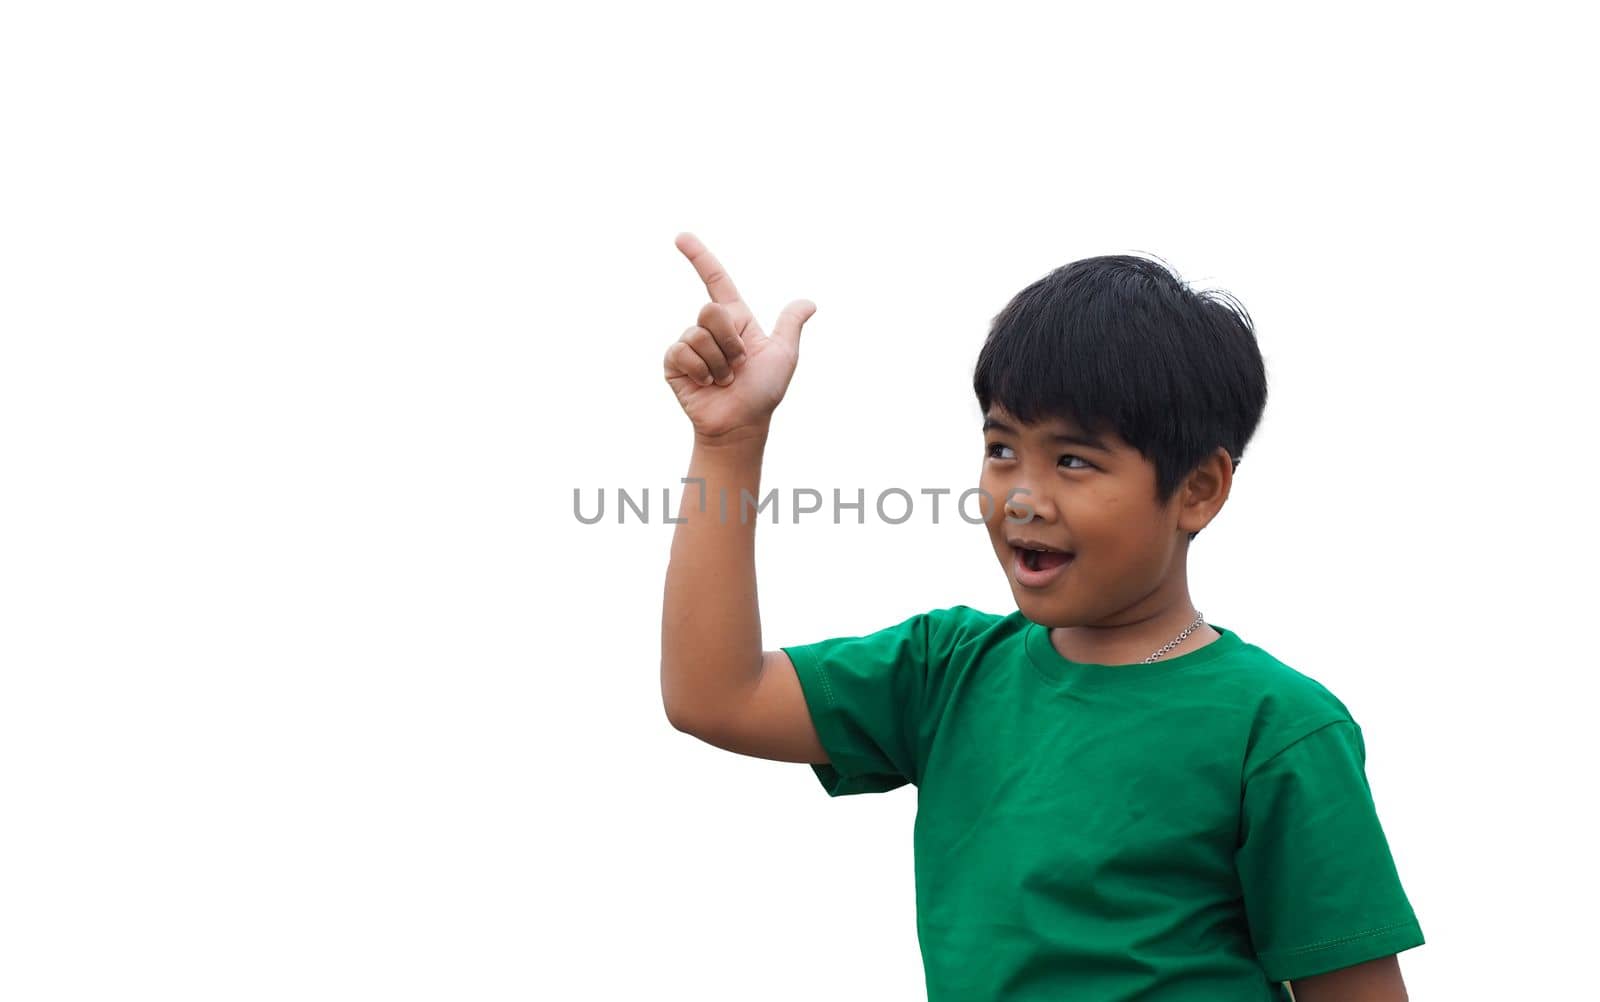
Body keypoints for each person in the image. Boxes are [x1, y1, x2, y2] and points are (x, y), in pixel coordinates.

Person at [658, 232, 1424, 1002]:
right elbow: (714, 695)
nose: (1022, 496)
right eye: (1000, 449)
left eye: (1074, 461)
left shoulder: (1279, 727)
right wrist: (730, 441)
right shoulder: (945, 673)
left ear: (1198, 489)